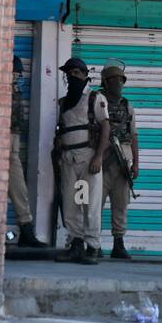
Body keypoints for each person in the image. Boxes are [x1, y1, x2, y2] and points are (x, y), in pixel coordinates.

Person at [53, 57, 110, 265]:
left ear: (85, 75)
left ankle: (93, 246)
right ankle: (76, 244)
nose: (72, 76)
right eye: (69, 73)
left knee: (90, 204)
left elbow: (105, 127)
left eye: (77, 73)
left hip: (88, 160)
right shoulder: (64, 102)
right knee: (72, 203)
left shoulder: (95, 98)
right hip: (69, 161)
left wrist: (98, 157)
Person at [97, 59, 139, 261]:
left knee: (121, 204)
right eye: (114, 80)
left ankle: (118, 243)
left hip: (122, 160)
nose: (118, 84)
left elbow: (133, 135)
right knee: (94, 204)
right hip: (101, 158)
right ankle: (92, 243)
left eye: (120, 80)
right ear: (105, 82)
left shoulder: (127, 105)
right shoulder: (96, 101)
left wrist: (136, 163)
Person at [8, 56, 45, 248]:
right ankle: (26, 229)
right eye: (16, 71)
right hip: (1, 145)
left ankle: (26, 230)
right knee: (15, 188)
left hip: (12, 144)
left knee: (18, 188)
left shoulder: (15, 91)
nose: (19, 75)